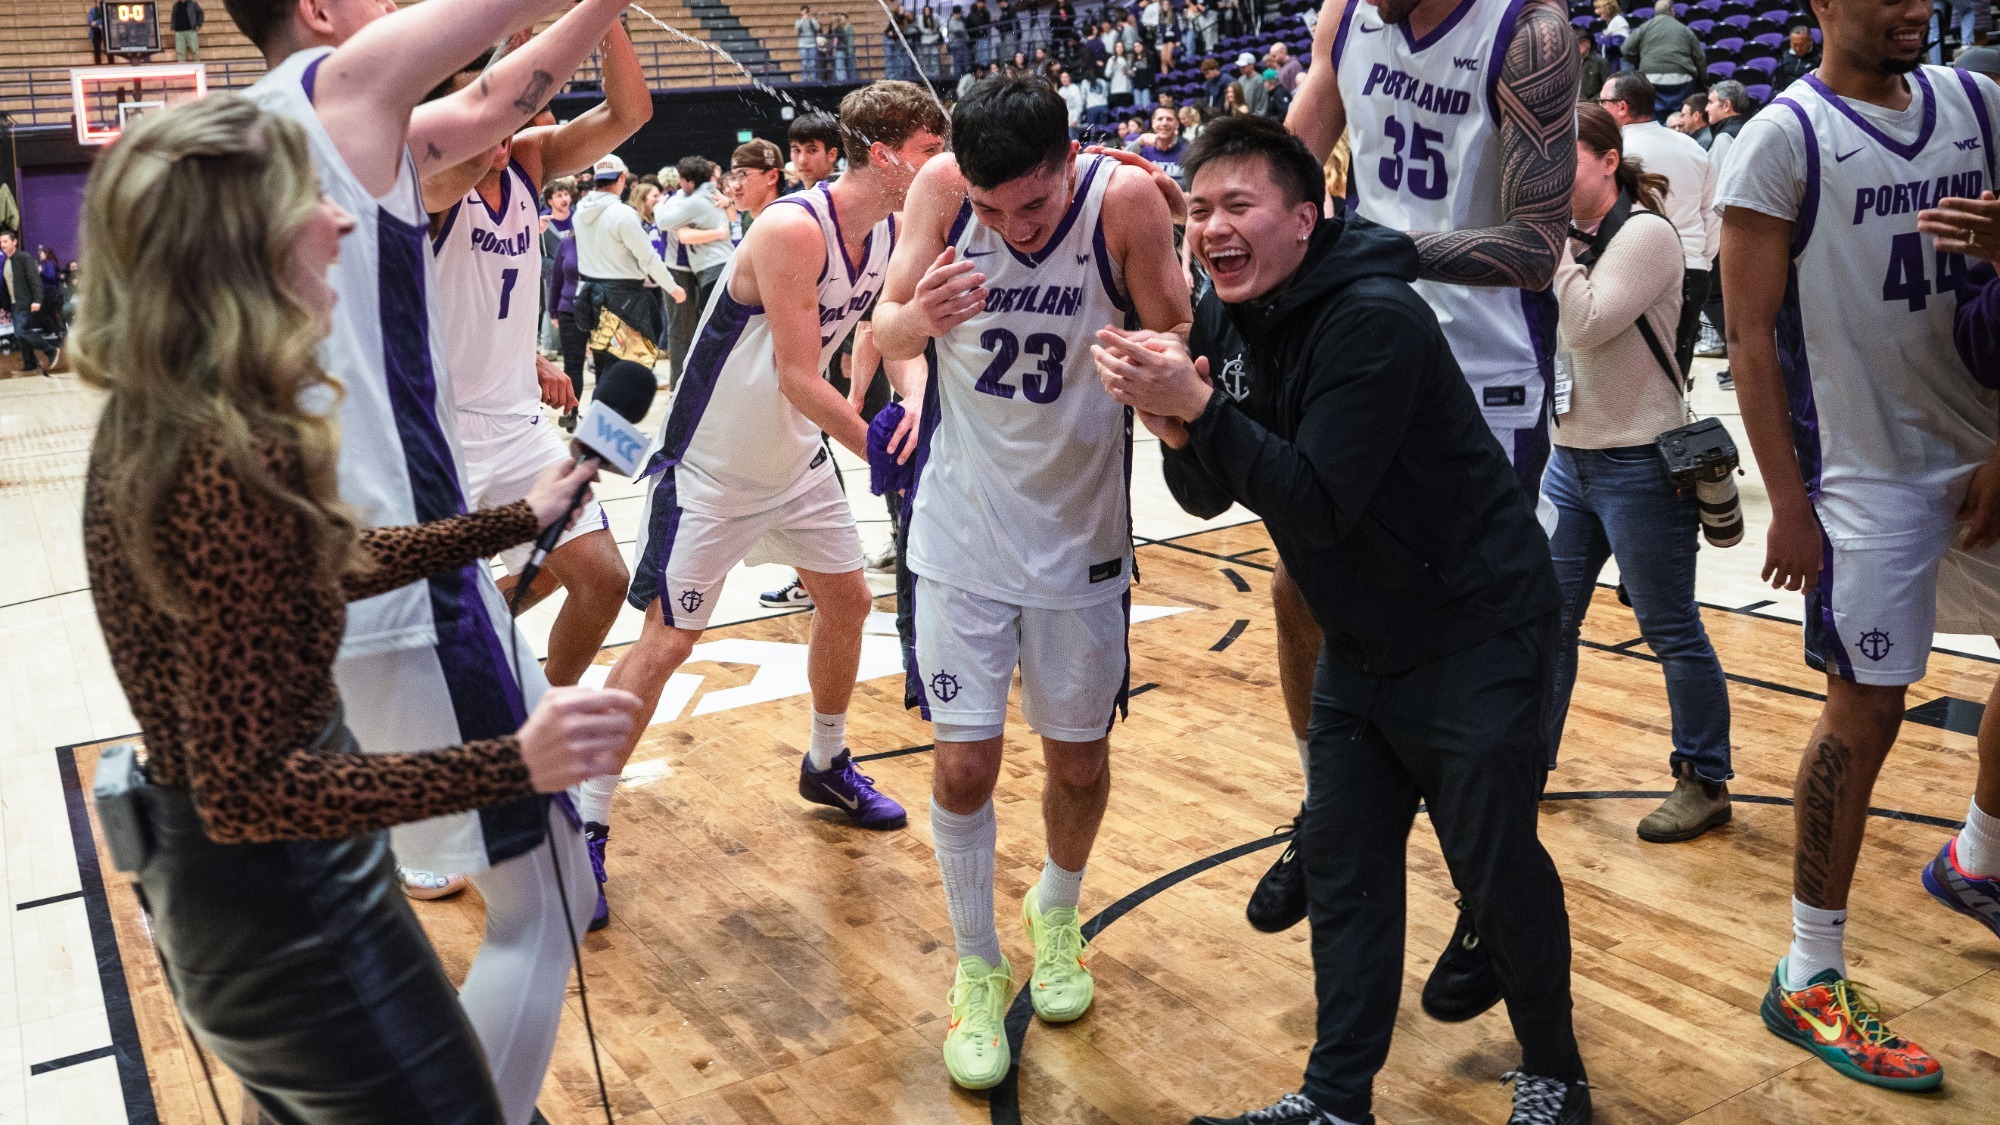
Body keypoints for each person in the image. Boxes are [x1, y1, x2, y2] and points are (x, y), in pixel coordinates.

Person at [74, 91, 640, 1124]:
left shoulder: (191, 411)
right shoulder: (224, 456)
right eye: (310, 200)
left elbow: (325, 561)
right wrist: (516, 763)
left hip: (250, 901)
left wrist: (509, 518)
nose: (340, 222)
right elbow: (252, 793)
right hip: (279, 911)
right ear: (235, 242)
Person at [1098, 113, 1589, 1125]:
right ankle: (1333, 1102)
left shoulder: (1373, 317)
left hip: (1472, 628)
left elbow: (1314, 500)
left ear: (1304, 218)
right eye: (1197, 211)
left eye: (1236, 206)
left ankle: (1554, 1070)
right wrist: (1174, 417)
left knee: (1494, 871)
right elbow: (1201, 497)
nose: (1209, 229)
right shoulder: (1230, 318)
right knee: (1346, 865)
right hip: (1363, 642)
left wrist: (1201, 408)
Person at [224, 0, 636, 1117]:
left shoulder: (293, 126)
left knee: (349, 937)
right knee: (543, 903)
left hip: (314, 585)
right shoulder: (338, 90)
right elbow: (497, 37)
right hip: (400, 581)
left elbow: (510, 90)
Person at [871, 76, 1190, 1093]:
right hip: (959, 534)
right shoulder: (934, 190)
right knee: (962, 769)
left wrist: (1153, 372)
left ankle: (1057, 911)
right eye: (990, 207)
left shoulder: (1125, 203)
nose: (1008, 226)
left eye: (1032, 207)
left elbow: (1179, 337)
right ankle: (975, 963)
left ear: (1069, 162)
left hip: (1079, 535)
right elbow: (881, 337)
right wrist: (912, 317)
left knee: (1079, 764)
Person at [1279, 0, 1577, 1022]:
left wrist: (1387, 251)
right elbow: (1289, 164)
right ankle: (1323, 810)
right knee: (1297, 582)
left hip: (1482, 375)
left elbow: (1537, 247)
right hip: (1366, 341)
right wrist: (1229, 207)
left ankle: (1484, 887)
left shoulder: (1527, 35)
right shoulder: (1345, 17)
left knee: (1467, 653)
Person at [1721, 0, 2000, 1091]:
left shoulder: (1977, 104)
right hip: (1863, 474)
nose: (1910, 8)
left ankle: (1975, 857)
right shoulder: (1781, 139)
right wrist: (1787, 504)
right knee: (1865, 709)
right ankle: (1807, 967)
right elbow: (1745, 338)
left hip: (1979, 444)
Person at [593, 83, 949, 924]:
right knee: (667, 642)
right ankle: (582, 817)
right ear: (890, 154)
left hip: (792, 457)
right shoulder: (792, 226)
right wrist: (890, 453)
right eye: (934, 151)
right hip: (714, 463)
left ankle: (826, 762)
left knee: (850, 598)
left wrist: (915, 401)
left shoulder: (894, 228)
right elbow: (796, 373)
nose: (945, 168)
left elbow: (885, 331)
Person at [419, 24, 646, 738]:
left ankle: (540, 712)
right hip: (436, 431)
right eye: (488, 92)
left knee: (604, 577)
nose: (522, 107)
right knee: (431, 615)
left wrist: (604, 18)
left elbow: (629, 112)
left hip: (517, 424)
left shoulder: (529, 162)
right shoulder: (431, 179)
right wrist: (514, 48)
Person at [1548, 104, 1734, 841]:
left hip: (1640, 464)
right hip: (1569, 460)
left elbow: (1583, 322)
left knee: (1669, 627)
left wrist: (1543, 245)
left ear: (1605, 158)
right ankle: (1526, 759)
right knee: (1546, 620)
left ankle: (1704, 778)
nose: (1548, 172)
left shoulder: (1648, 235)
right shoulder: (1567, 237)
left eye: (1562, 156)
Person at [1598, 74, 1718, 398]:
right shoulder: (1692, 146)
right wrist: (1701, 261)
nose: (1599, 109)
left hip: (1629, 270)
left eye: (1602, 103)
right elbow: (1713, 213)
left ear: (1621, 107)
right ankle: (1674, 442)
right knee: (1675, 374)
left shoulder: (1614, 151)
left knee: (1627, 380)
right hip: (1691, 268)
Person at [574, 152, 686, 377]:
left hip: (591, 295)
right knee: (629, 370)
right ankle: (616, 411)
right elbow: (648, 257)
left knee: (605, 367)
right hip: (623, 298)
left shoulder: (580, 212)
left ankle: (600, 411)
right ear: (622, 178)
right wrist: (672, 287)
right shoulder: (623, 214)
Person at [1700, 78, 1752, 388]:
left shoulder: (1723, 139)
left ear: (1727, 106)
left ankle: (1739, 370)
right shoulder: (1749, 128)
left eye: (1710, 102)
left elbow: (1715, 193)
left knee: (1717, 297)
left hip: (1729, 229)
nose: (1706, 108)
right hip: (1754, 227)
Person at [1618, 0, 1706, 124]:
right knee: (1680, 120)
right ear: (1672, 11)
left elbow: (1625, 49)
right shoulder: (1684, 29)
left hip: (1651, 79)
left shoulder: (1645, 27)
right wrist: (1703, 80)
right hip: (1681, 79)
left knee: (1654, 120)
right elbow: (1700, 57)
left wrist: (1637, 62)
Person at [2, 230, 55, 376]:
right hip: (14, 304)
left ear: (14, 242)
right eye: (0, 242)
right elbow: (6, 285)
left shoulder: (24, 257)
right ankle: (29, 362)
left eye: (5, 241)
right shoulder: (5, 261)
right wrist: (4, 304)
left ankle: (50, 349)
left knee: (21, 330)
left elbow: (35, 280)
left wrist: (37, 300)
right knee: (20, 335)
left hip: (25, 302)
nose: (2, 245)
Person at [1133, 103, 1190, 185]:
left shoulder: (1187, 151)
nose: (1164, 123)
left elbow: (1189, 186)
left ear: (1177, 124)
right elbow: (1118, 164)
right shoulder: (1143, 150)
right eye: (1160, 119)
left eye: (1169, 119)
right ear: (1153, 123)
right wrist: (1139, 142)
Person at [790, 111, 844, 188]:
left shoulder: (843, 193)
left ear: (832, 154)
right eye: (796, 150)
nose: (802, 160)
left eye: (812, 150)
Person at [1775, 22, 1823, 91]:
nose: (1797, 49)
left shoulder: (1820, 57)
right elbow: (1780, 81)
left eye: (1801, 45)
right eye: (1794, 45)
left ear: (1810, 41)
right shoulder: (1785, 55)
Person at [1579, 27, 1612, 102]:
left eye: (1579, 42)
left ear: (1588, 43)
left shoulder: (1600, 62)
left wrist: (1590, 102)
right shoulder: (1572, 61)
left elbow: (1608, 88)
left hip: (1593, 104)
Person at [797, 4, 821, 79]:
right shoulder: (799, 20)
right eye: (804, 12)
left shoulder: (812, 20)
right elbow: (797, 27)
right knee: (804, 63)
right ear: (801, 12)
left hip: (812, 44)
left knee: (812, 63)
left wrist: (812, 19)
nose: (805, 13)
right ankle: (804, 79)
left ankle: (813, 79)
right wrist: (803, 19)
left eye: (806, 12)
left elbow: (818, 27)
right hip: (802, 44)